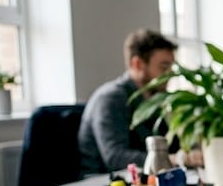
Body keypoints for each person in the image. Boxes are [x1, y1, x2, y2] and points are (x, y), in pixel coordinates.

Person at [78, 29, 199, 175]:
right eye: (163, 67)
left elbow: (170, 145)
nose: (170, 74)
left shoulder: (155, 99)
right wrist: (174, 159)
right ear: (138, 64)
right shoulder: (110, 99)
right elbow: (115, 158)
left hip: (147, 183)